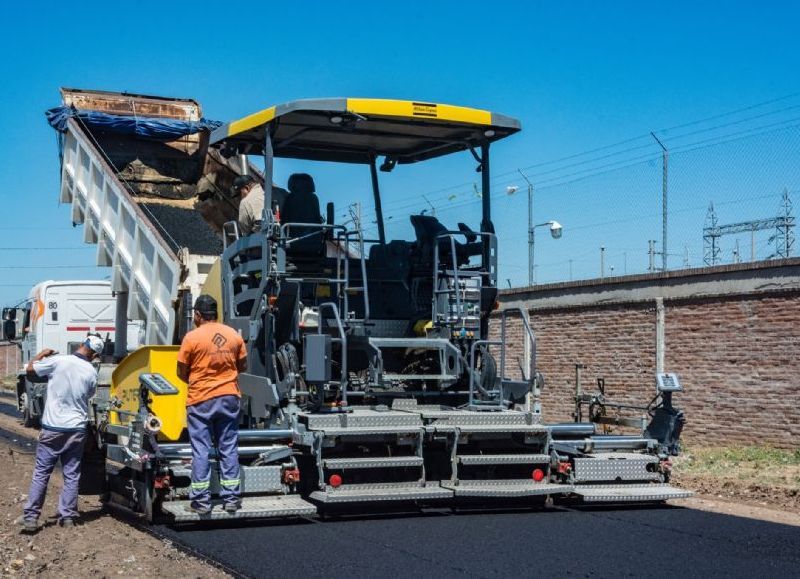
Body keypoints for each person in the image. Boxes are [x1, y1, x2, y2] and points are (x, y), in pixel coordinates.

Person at [19, 335, 104, 533]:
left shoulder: (59, 361)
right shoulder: (91, 371)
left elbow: (30, 370)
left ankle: (31, 518)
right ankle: (67, 517)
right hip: (76, 429)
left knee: (42, 473)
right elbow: (89, 395)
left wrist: (42, 354)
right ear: (95, 354)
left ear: (83, 344)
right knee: (72, 475)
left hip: (53, 427)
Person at [177, 294, 247, 515]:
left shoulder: (192, 338)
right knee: (228, 448)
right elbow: (243, 366)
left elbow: (181, 371)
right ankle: (232, 499)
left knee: (201, 451)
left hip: (201, 400)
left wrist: (199, 381)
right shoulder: (234, 336)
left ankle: (201, 501)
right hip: (229, 397)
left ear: (198, 314)